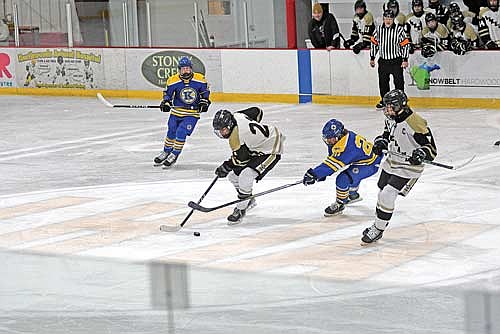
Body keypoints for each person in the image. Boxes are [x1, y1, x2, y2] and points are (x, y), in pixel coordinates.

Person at [361, 89, 437, 244]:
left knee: (387, 194)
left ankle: (378, 228)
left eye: (390, 106)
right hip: (391, 163)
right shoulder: (391, 118)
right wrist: (379, 141)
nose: (387, 110)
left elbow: (432, 149)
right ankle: (378, 222)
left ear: (399, 105)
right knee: (382, 191)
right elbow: (386, 135)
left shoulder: (415, 122)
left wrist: (421, 153)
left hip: (409, 167)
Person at [212, 107, 284, 224]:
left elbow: (240, 160)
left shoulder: (236, 138)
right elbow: (257, 111)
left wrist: (225, 166)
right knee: (233, 177)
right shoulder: (237, 115)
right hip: (256, 148)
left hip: (272, 149)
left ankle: (241, 209)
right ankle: (248, 199)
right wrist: (255, 137)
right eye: (219, 131)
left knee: (246, 175)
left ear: (230, 125)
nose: (221, 133)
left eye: (223, 130)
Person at [302, 119, 382, 217]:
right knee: (352, 174)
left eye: (331, 138)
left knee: (343, 178)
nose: (328, 141)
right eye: (327, 138)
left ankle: (340, 203)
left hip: (370, 164)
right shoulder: (344, 137)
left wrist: (315, 174)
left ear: (339, 135)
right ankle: (353, 195)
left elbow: (331, 166)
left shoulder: (347, 147)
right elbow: (332, 159)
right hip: (365, 160)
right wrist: (322, 173)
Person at [155, 56, 211, 167]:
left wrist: (205, 102)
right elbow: (168, 95)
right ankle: (166, 151)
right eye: (183, 69)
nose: (186, 71)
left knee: (181, 132)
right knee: (171, 131)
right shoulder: (173, 80)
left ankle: (174, 154)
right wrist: (166, 102)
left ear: (191, 69)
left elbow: (205, 93)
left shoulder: (200, 79)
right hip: (176, 112)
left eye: (187, 68)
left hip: (192, 114)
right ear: (179, 70)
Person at [370, 9, 410, 109]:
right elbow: (374, 43)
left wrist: (405, 59)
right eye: (386, 18)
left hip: (396, 61)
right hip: (383, 61)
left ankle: (400, 101)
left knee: (399, 82)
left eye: (390, 18)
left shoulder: (399, 29)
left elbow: (405, 44)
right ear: (383, 19)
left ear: (393, 19)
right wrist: (372, 57)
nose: (388, 20)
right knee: (383, 82)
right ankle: (385, 101)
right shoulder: (378, 29)